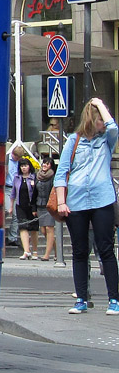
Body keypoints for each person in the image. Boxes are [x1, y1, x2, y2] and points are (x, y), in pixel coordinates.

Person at [54, 97, 119, 315]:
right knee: (80, 251)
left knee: (106, 249)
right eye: (100, 117)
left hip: (102, 199)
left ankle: (114, 300)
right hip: (77, 201)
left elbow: (113, 127)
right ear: (92, 119)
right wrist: (62, 202)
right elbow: (61, 172)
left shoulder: (107, 140)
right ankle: (81, 298)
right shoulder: (74, 141)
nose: (103, 121)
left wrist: (99, 103)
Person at [11, 157, 39, 259]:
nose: (24, 168)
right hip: (20, 205)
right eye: (22, 166)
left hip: (32, 206)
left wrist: (33, 186)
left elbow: (37, 192)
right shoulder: (17, 177)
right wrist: (11, 206)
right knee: (23, 227)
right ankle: (26, 251)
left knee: (33, 229)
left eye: (25, 166)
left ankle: (35, 251)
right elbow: (13, 193)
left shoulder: (33, 177)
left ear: (29, 167)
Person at [36, 156, 57, 260]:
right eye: (44, 163)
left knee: (49, 228)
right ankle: (57, 250)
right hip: (40, 205)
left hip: (49, 205)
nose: (45, 165)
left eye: (47, 164)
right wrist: (33, 208)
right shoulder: (38, 176)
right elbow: (35, 192)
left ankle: (47, 254)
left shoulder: (53, 176)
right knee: (43, 230)